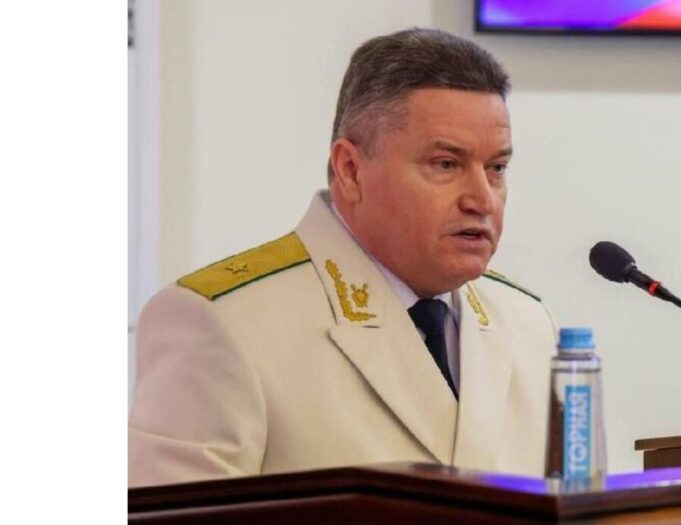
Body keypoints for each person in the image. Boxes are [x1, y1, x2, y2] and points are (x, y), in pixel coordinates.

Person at [128, 28, 557, 487]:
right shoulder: (223, 323)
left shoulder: (528, 323)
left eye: (497, 168)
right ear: (350, 170)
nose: (483, 199)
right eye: (445, 165)